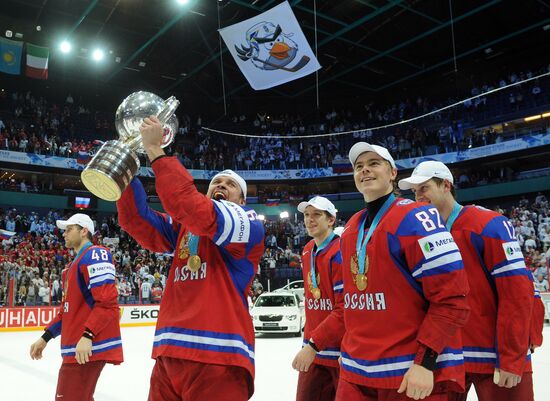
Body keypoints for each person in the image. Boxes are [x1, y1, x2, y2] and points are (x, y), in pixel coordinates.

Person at [116, 116, 265, 401]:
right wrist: (124, 175)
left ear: (243, 201)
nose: (220, 185)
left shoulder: (249, 223)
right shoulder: (185, 228)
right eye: (215, 182)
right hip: (170, 352)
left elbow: (189, 206)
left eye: (230, 184)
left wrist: (157, 152)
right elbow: (138, 220)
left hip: (219, 356)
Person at [399, 160, 544, 401]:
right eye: (414, 192)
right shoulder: (419, 234)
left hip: (492, 357)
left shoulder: (488, 224)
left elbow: (517, 294)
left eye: (424, 188)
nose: (418, 197)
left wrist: (511, 356)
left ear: (446, 185)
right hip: (443, 357)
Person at [336, 143, 470, 401]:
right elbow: (354, 302)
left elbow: (452, 298)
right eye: (358, 167)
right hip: (355, 371)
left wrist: (426, 361)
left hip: (408, 373)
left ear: (393, 173)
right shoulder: (351, 227)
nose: (365, 170)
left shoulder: (417, 216)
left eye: (374, 164)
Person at [29, 213, 123, 401]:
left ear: (84, 231)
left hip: (87, 348)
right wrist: (45, 337)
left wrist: (88, 335)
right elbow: (67, 311)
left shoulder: (96, 254)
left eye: (69, 229)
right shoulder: (73, 265)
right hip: (78, 347)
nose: (64, 234)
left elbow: (107, 303)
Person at [292, 196, 344, 401]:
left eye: (316, 214)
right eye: (306, 215)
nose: (309, 219)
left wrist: (314, 344)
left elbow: (343, 310)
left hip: (338, 351)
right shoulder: (306, 251)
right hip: (312, 349)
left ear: (330, 220)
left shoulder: (340, 252)